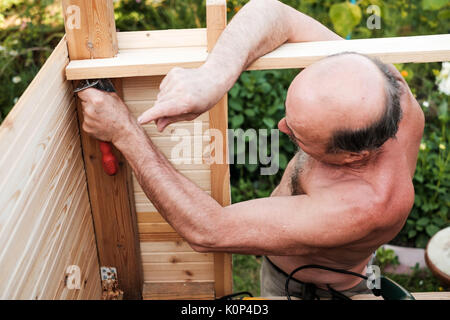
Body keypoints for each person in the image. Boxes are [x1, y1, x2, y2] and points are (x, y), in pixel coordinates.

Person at [77, 0, 424, 298]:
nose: (281, 128)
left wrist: (124, 131)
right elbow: (274, 12)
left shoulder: (362, 206)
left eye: (299, 136)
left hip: (311, 287)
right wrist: (212, 78)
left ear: (353, 156)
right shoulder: (380, 86)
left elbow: (209, 230)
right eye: (290, 117)